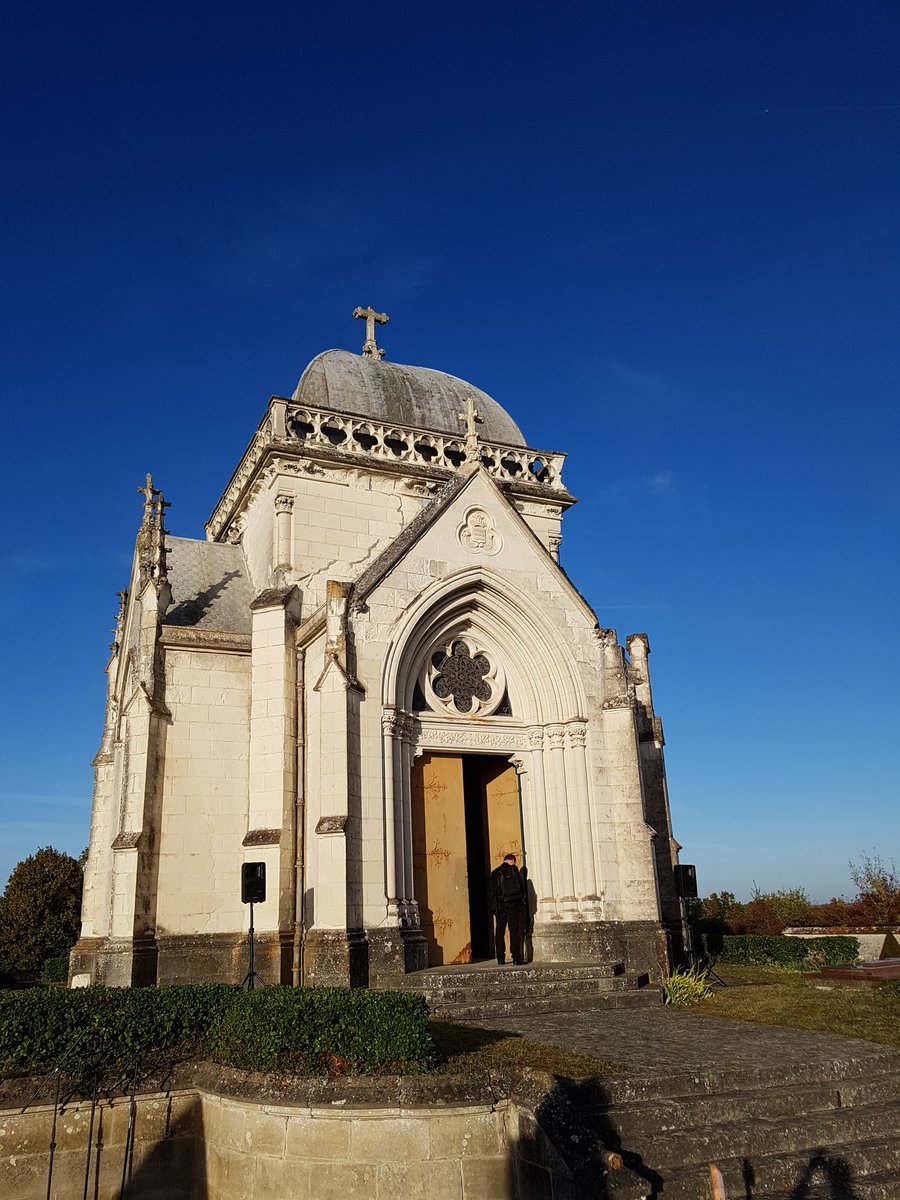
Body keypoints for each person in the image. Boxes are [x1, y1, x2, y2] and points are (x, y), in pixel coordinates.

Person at [489, 853, 527, 965]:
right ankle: (516, 957)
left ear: (504, 860)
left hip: (500, 907)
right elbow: (520, 889)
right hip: (513, 905)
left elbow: (492, 891)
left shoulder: (495, 872)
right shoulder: (514, 870)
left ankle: (501, 958)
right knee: (513, 931)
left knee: (500, 931)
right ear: (513, 861)